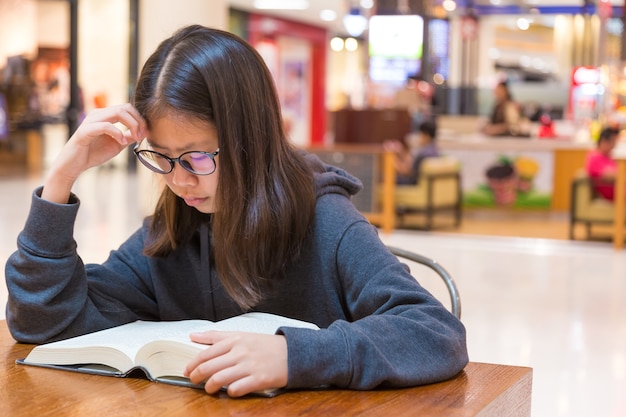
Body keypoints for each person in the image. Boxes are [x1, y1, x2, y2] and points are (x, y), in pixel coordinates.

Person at [5, 25, 467, 397]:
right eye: (161, 157)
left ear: (251, 140)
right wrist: (62, 178)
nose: (179, 180)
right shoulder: (173, 232)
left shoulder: (328, 224)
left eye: (197, 157)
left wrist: (293, 356)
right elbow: (41, 322)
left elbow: (436, 334)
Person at [384, 120, 440, 185]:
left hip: (411, 183)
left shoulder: (423, 154)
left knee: (384, 178)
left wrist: (393, 162)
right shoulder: (435, 151)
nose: (419, 137)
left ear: (425, 135)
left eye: (420, 134)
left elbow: (408, 171)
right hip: (420, 183)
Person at [585, 126, 621, 200]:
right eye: (613, 142)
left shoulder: (607, 156)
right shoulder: (594, 157)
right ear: (603, 141)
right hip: (613, 192)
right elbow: (609, 175)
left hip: (618, 189)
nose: (614, 146)